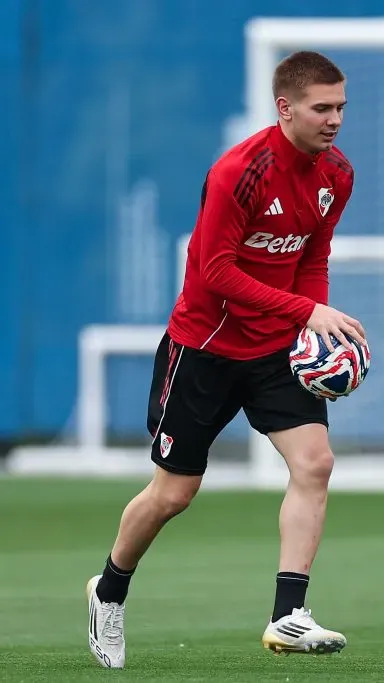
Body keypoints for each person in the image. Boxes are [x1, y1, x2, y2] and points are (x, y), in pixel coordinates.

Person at [86, 50, 366, 669]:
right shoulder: (240, 171)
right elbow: (213, 273)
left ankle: (288, 615)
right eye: (322, 108)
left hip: (274, 351)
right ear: (285, 107)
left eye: (341, 107)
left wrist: (309, 332)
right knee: (174, 495)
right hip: (204, 349)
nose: (335, 120)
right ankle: (109, 590)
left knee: (315, 464)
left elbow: (311, 259)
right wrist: (305, 314)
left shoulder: (336, 175)